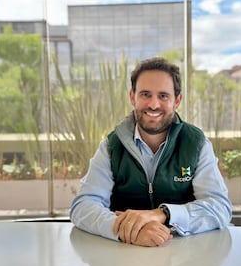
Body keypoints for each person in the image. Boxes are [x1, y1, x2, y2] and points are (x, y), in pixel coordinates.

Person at [70, 57, 232, 247]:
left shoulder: (196, 143)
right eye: (145, 94)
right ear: (133, 97)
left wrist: (162, 214)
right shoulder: (111, 145)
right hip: (123, 255)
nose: (153, 105)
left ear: (177, 100)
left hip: (183, 254)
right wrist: (128, 229)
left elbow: (220, 207)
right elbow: (82, 207)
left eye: (163, 96)